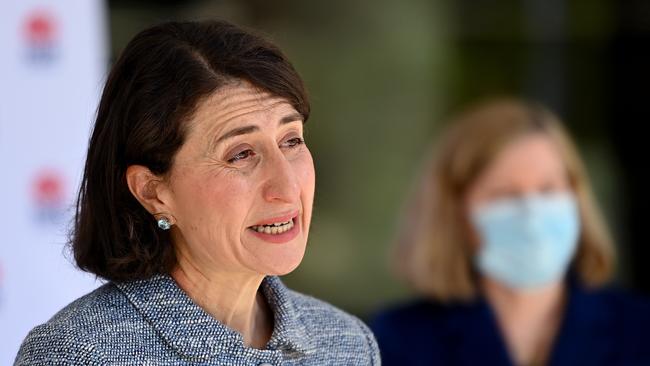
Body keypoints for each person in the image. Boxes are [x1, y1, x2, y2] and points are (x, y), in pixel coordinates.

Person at [15, 20, 379, 365]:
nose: (287, 187)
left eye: (291, 140)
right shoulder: (77, 354)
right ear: (153, 192)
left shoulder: (347, 344)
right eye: (241, 154)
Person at [371, 98, 650, 366]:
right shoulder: (396, 340)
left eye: (548, 189)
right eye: (505, 195)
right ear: (453, 213)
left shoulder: (640, 329)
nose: (531, 212)